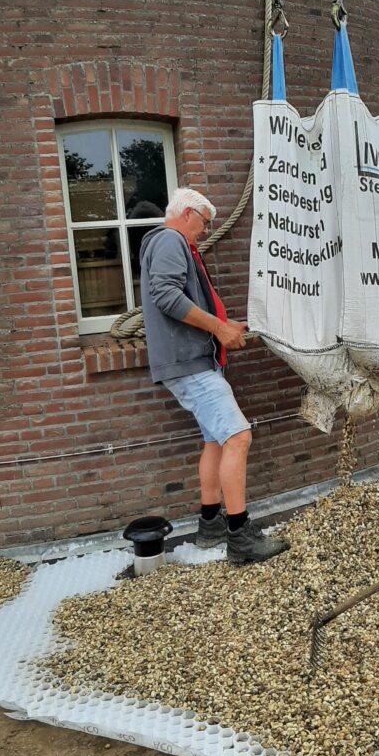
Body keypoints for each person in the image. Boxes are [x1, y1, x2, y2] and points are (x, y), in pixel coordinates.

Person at [139, 187, 288, 564]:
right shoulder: (170, 240)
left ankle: (210, 523)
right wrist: (219, 329)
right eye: (204, 223)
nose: (206, 231)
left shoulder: (171, 244)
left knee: (216, 440)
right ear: (187, 213)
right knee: (238, 436)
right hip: (189, 362)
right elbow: (167, 296)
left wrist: (224, 324)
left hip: (188, 360)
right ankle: (240, 536)